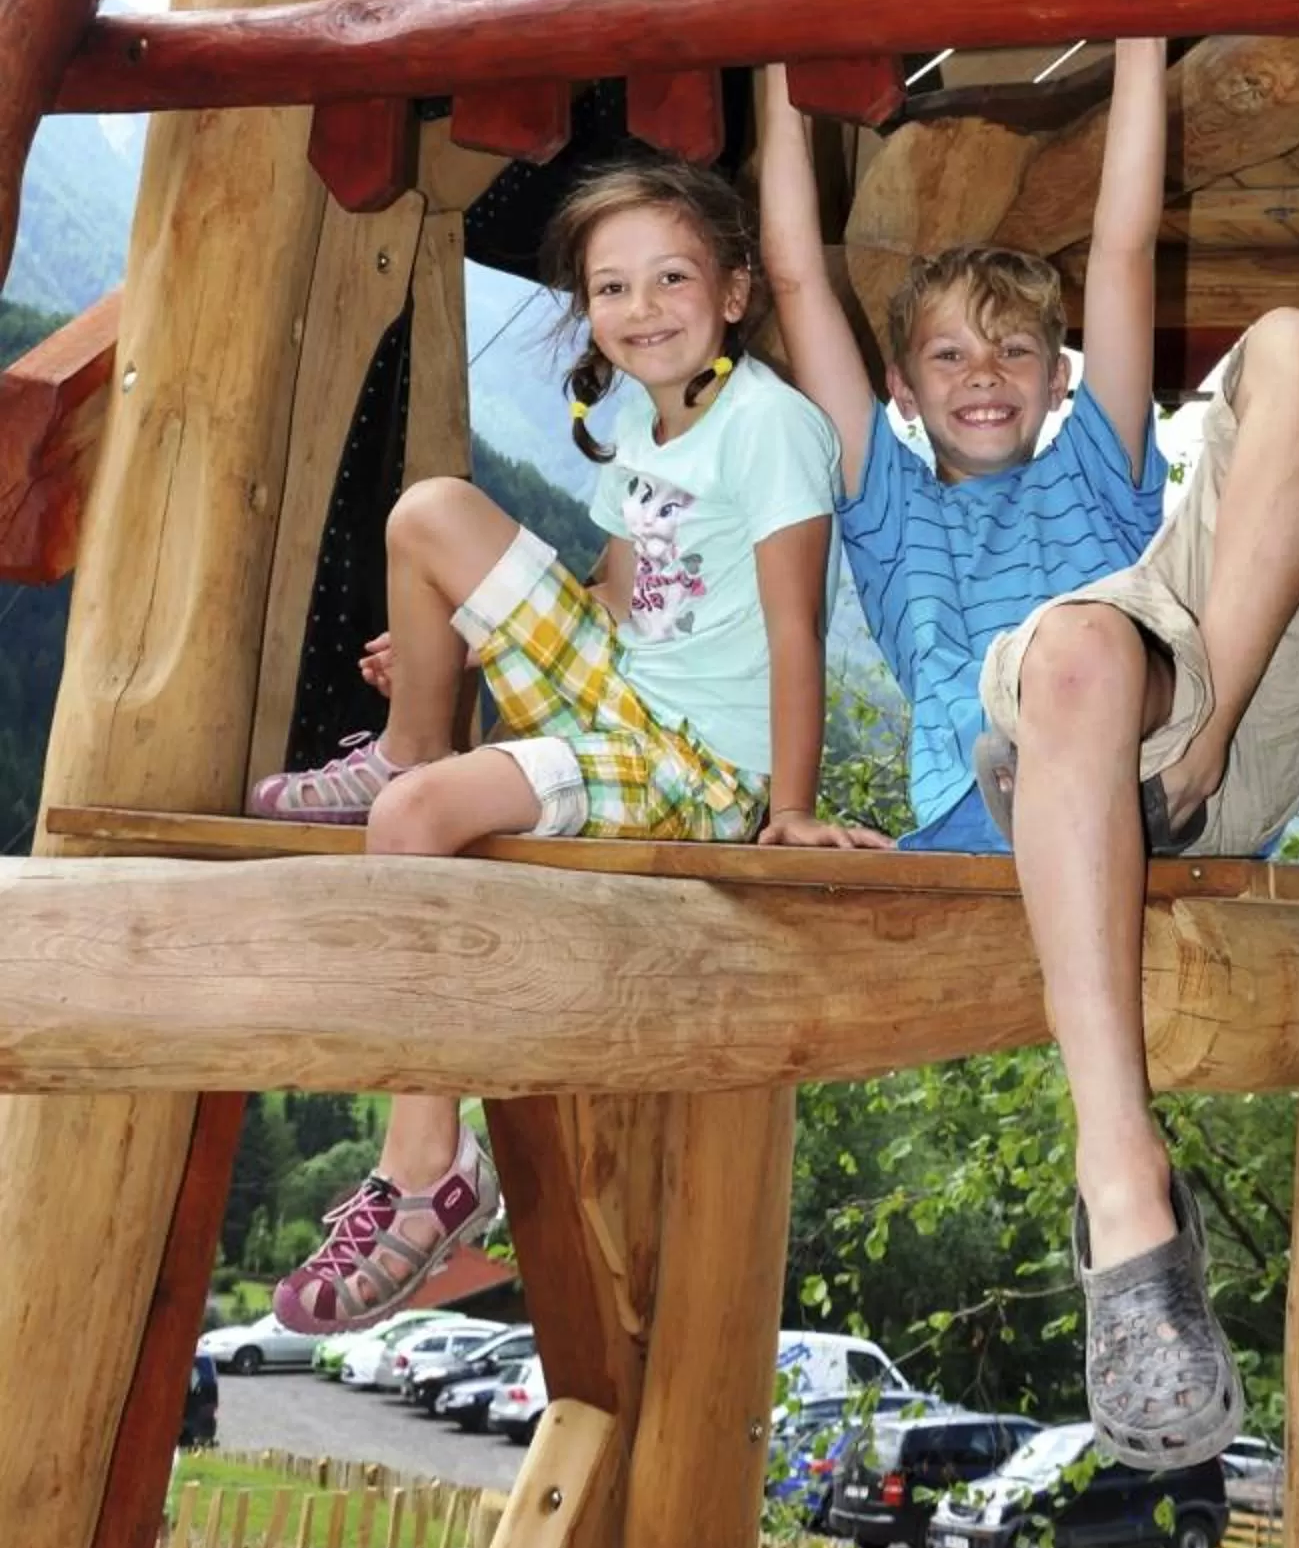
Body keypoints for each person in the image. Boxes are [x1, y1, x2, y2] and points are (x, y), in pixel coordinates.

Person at [759, 30, 1299, 1469]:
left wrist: (1141, 30)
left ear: (1057, 376)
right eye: (951, 354)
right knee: (1070, 659)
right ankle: (1125, 1190)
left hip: (1195, 744)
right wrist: (784, 54)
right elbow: (794, 275)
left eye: (1017, 350)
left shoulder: (1101, 456)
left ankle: (1190, 742)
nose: (987, 374)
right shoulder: (885, 506)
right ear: (902, 389)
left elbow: (1125, 242)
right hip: (1011, 783)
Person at [248, 152, 885, 1333]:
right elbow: (613, 601)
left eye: (671, 279)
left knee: (412, 824)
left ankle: (426, 1169)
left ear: (736, 292)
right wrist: (458, 637)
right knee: (429, 510)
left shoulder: (771, 429)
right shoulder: (637, 424)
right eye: (611, 288)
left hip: (699, 766)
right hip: (620, 703)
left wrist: (785, 805)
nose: (642, 311)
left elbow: (797, 628)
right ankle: (408, 737)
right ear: (586, 308)